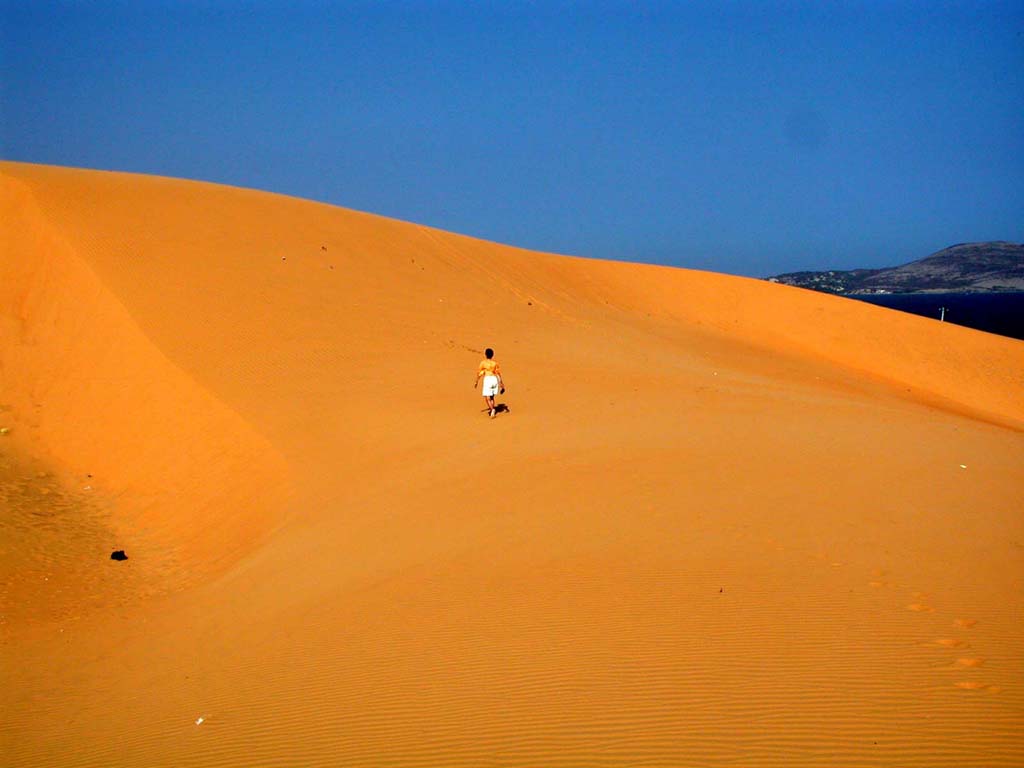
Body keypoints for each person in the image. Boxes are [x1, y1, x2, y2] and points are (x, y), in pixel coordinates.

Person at [474, 348, 505, 419]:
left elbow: (480, 373)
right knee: (491, 397)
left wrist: (476, 381)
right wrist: (501, 383)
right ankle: (492, 411)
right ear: (492, 355)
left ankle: (492, 409)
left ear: (485, 355)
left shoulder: (483, 363)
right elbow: (498, 373)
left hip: (488, 380)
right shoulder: (495, 363)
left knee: (487, 398)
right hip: (494, 380)